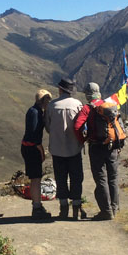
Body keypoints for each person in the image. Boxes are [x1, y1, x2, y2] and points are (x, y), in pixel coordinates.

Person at [74, 82, 120, 221]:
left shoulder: (88, 108)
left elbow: (77, 126)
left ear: (87, 94)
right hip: (113, 145)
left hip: (96, 146)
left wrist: (83, 139)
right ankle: (115, 208)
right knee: (113, 178)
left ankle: (106, 212)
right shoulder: (110, 105)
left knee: (101, 179)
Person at [44, 78, 85, 220]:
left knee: (60, 178)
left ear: (60, 89)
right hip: (74, 148)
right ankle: (76, 207)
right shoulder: (78, 104)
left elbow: (48, 127)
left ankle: (63, 208)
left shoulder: (51, 106)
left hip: (57, 149)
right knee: (76, 178)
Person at [21, 89, 53, 220]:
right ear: (44, 100)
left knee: (36, 178)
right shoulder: (35, 113)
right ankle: (37, 207)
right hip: (32, 149)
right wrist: (41, 150)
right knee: (35, 178)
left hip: (28, 148)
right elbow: (33, 136)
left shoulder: (35, 111)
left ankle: (37, 205)